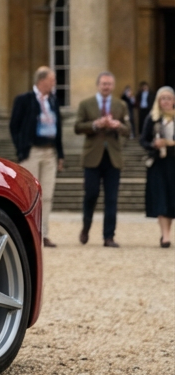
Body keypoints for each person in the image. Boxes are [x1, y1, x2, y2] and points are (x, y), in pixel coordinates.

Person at [9, 67, 64, 248]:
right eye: (52, 80)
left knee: (47, 195)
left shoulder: (54, 101)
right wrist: (21, 149)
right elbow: (14, 126)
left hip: (50, 152)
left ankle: (44, 233)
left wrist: (60, 154)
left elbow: (59, 130)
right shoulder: (24, 100)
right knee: (30, 194)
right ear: (42, 80)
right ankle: (28, 234)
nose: (54, 83)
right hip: (31, 152)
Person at [74, 71, 130, 247]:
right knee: (91, 195)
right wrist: (95, 125)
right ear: (98, 85)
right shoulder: (86, 104)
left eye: (109, 84)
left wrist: (118, 125)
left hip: (113, 157)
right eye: (104, 84)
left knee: (111, 198)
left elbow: (128, 130)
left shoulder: (120, 105)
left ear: (113, 86)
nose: (106, 87)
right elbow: (77, 127)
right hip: (92, 157)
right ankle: (86, 228)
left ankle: (109, 237)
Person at [140, 86, 175, 248]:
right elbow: (143, 140)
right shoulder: (152, 118)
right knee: (160, 198)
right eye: (163, 98)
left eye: (169, 98)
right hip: (158, 164)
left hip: (173, 163)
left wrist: (169, 143)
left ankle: (166, 233)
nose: (166, 101)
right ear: (158, 101)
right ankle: (165, 236)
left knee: (171, 199)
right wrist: (153, 145)